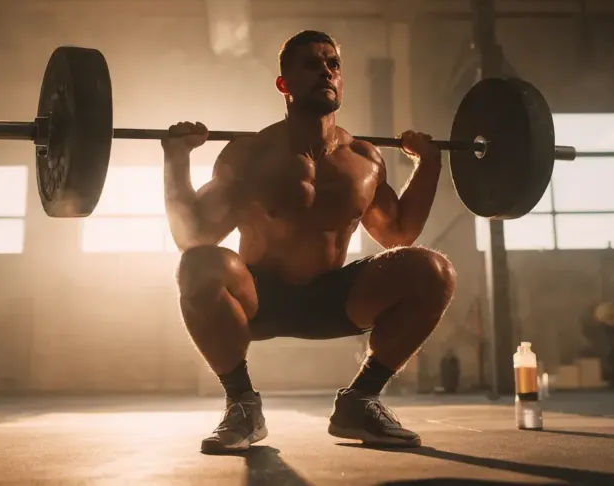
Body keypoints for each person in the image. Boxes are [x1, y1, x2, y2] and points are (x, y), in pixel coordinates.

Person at [162, 30, 456, 454]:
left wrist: (429, 165)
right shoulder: (248, 156)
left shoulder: (364, 159)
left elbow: (398, 233)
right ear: (283, 83)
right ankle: (242, 405)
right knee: (199, 265)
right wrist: (176, 160)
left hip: (333, 299)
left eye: (333, 63)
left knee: (433, 271)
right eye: (311, 64)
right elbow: (193, 237)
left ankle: (361, 401)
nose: (325, 71)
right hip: (258, 299)